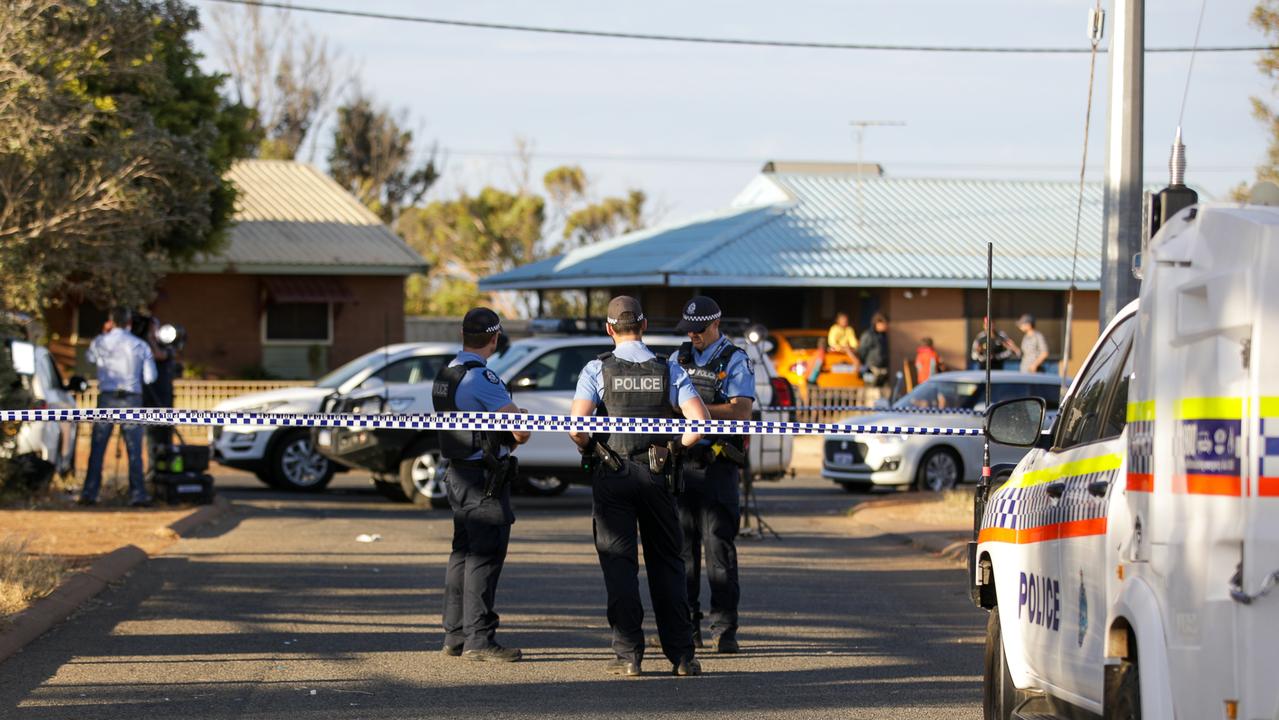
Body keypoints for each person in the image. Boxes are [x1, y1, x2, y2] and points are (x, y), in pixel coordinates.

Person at [569, 295, 711, 678]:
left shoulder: (595, 369)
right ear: (644, 326)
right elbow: (700, 424)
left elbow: (578, 428)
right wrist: (673, 450)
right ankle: (682, 656)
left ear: (609, 328)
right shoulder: (669, 370)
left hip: (613, 473)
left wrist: (591, 445)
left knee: (620, 565)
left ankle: (629, 655)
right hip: (657, 475)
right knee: (668, 565)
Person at [436, 307, 531, 663]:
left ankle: (455, 635)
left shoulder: (447, 373)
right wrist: (520, 422)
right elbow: (519, 430)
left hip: (457, 474)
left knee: (462, 553)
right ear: (494, 338)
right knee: (484, 557)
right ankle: (479, 638)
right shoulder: (481, 378)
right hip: (483, 479)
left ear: (462, 335)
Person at [670, 296, 754, 654]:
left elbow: (741, 412)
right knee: (683, 552)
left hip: (718, 466)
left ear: (715, 324)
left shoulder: (735, 359)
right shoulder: (678, 358)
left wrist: (695, 411)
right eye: (688, 330)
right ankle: (687, 626)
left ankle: (725, 628)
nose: (693, 336)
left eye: (699, 330)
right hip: (684, 464)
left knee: (720, 549)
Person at [81, 307, 156, 507]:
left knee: (98, 447)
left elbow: (89, 359)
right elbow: (151, 377)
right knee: (134, 449)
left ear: (110, 321)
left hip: (106, 398)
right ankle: (138, 494)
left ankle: (90, 493)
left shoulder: (100, 341)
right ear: (129, 322)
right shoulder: (140, 345)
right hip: (132, 399)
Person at [856, 313, 890, 388]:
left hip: (882, 371)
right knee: (869, 392)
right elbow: (862, 352)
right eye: (884, 324)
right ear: (877, 323)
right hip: (870, 369)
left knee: (882, 394)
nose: (886, 326)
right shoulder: (868, 335)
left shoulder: (883, 336)